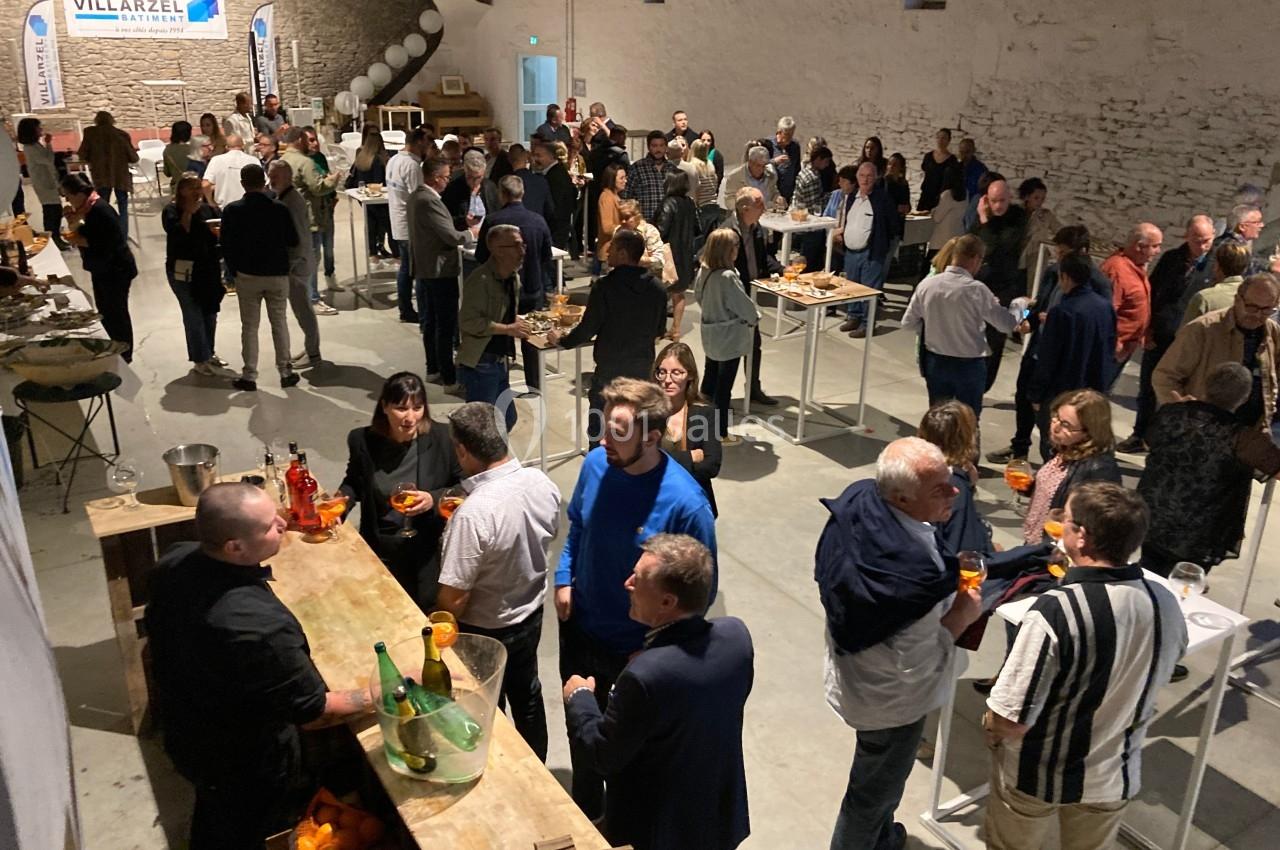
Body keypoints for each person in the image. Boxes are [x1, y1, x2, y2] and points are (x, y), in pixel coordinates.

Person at [146, 483, 374, 850]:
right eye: (270, 526)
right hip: (244, 761)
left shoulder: (176, 559)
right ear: (234, 547)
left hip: (188, 729)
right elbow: (313, 711)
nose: (283, 525)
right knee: (253, 830)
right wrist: (396, 687)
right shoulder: (256, 625)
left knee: (214, 817)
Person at [983, 482, 1186, 850]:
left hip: (1039, 775)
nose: (1059, 525)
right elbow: (1169, 661)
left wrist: (991, 730)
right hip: (1113, 776)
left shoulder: (1055, 610)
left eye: (1067, 519)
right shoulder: (1164, 602)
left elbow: (1010, 718)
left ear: (1081, 536)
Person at [555, 377, 718, 820]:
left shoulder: (687, 504)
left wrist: (654, 652)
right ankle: (586, 814)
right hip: (582, 629)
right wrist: (563, 577)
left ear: (651, 436)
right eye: (605, 428)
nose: (604, 440)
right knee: (581, 727)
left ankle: (621, 824)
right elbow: (578, 527)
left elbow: (700, 596)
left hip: (636, 652)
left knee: (629, 753)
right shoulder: (594, 466)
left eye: (619, 432)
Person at [816, 437, 982, 850]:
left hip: (859, 679)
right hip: (892, 703)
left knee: (877, 777)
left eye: (950, 479)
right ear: (902, 497)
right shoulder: (912, 577)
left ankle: (881, 836)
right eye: (939, 488)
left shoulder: (860, 501)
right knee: (871, 792)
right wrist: (961, 614)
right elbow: (917, 660)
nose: (955, 491)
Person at [563, 533, 751, 850]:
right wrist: (659, 653)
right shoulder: (737, 637)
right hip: (716, 816)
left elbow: (604, 755)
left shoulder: (643, 677)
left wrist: (579, 697)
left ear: (667, 602)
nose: (627, 583)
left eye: (638, 579)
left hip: (658, 832)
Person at [436, 402, 561, 760]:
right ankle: (537, 769)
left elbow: (453, 600)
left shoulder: (474, 514)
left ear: (462, 450)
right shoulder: (541, 482)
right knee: (529, 696)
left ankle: (503, 768)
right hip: (531, 616)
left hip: (485, 631)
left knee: (485, 705)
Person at [1139, 362, 1280, 580]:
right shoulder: (1243, 438)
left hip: (1153, 520)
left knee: (1146, 578)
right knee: (1182, 590)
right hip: (1199, 538)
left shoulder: (1170, 414)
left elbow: (1150, 442)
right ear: (1244, 397)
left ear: (1206, 386)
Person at [338, 372, 462, 607]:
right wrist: (340, 504)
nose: (410, 417)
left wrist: (433, 498)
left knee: (426, 610)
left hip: (428, 548)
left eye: (417, 408)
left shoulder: (443, 437)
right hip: (383, 545)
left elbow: (464, 485)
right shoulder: (362, 440)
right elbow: (354, 481)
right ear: (384, 406)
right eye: (401, 408)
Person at [550, 228, 667, 439]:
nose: (607, 252)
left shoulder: (604, 287)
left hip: (610, 371)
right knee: (635, 428)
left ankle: (599, 468)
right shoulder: (658, 289)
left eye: (611, 247)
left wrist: (561, 341)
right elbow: (659, 330)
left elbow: (587, 328)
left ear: (623, 254)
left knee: (600, 429)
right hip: (642, 369)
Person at [1118, 215, 1217, 453]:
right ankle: (1141, 434)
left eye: (1207, 240)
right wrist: (1148, 329)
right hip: (1162, 333)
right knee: (1149, 387)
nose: (1202, 246)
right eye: (1197, 240)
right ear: (1187, 237)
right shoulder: (1172, 259)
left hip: (1190, 339)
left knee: (1181, 392)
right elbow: (1153, 294)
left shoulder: (1215, 264)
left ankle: (1170, 439)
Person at [901, 234, 1021, 416]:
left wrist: (934, 327)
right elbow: (1007, 324)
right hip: (969, 366)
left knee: (938, 419)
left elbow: (908, 323)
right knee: (968, 423)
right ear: (976, 258)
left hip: (936, 361)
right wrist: (1022, 307)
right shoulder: (977, 290)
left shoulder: (927, 285)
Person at [1154, 273, 1280, 431]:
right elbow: (1165, 376)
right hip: (1202, 431)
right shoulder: (1203, 329)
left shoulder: (1273, 333)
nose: (1257, 315)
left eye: (1266, 310)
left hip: (1250, 433)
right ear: (1237, 299)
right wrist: (1181, 408)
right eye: (1252, 307)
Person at [220, 163, 299, 391]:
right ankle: (285, 371)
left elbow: (226, 246)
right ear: (263, 180)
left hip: (247, 275)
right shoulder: (279, 208)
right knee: (279, 323)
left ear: (243, 183)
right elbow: (293, 240)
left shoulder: (232, 211)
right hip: (276, 274)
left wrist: (232, 272)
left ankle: (250, 375)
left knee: (250, 327)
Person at [1013, 389, 1122, 547]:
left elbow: (1098, 524)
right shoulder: (1065, 449)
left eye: (1066, 425)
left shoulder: (1100, 469)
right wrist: (1028, 486)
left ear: (1089, 432)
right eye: (1056, 417)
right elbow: (1054, 491)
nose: (1055, 427)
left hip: (1058, 551)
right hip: (1036, 543)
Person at [475, 175, 554, 392]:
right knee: (531, 338)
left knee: (500, 336)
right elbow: (547, 256)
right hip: (531, 288)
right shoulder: (538, 220)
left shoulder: (493, 221)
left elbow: (481, 256)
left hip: (501, 289)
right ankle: (535, 385)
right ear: (523, 193)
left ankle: (500, 385)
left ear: (502, 194)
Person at [59, 173, 138, 361]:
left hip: (115, 269)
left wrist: (79, 240)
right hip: (103, 268)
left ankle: (123, 353)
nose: (66, 200)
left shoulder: (99, 210)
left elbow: (107, 242)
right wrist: (74, 222)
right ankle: (113, 346)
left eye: (67, 195)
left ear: (78, 193)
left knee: (116, 312)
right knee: (106, 310)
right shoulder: (87, 208)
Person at [457, 224, 528, 431]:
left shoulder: (512, 277)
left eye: (523, 245)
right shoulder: (481, 280)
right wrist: (508, 329)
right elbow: (468, 321)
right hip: (481, 363)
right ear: (497, 250)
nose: (522, 251)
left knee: (507, 419)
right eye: (516, 245)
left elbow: (504, 312)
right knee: (480, 428)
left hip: (499, 361)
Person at [694, 228, 759, 444]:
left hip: (710, 333)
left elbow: (698, 297)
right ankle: (720, 433)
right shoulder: (728, 276)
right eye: (736, 246)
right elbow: (745, 308)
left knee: (709, 381)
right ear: (727, 250)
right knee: (724, 387)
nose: (738, 250)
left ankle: (700, 425)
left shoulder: (703, 271)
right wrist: (754, 318)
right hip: (729, 337)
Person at [408, 157, 469, 388]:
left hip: (426, 268)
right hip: (439, 270)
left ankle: (432, 368)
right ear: (435, 178)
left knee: (431, 323)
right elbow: (451, 236)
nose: (447, 181)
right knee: (444, 325)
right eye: (445, 177)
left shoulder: (417, 196)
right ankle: (449, 376)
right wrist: (471, 233)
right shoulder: (429, 201)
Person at [968, 174, 1030, 388]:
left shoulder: (1017, 217)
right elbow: (970, 244)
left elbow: (996, 248)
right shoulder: (982, 216)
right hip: (979, 285)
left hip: (1003, 287)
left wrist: (985, 222)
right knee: (972, 334)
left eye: (1002, 200)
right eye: (993, 201)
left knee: (995, 338)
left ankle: (984, 385)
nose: (998, 205)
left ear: (1009, 198)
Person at [162, 175, 225, 376]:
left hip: (207, 269)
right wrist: (188, 213)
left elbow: (218, 225)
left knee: (210, 312)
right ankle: (199, 358)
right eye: (192, 188)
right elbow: (179, 234)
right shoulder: (171, 211)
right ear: (181, 190)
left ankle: (209, 352)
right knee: (193, 315)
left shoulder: (206, 209)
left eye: (198, 187)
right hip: (183, 270)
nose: (197, 192)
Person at [653, 342, 722, 515]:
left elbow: (712, 466)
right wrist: (690, 456)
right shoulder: (647, 412)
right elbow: (640, 461)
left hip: (693, 504)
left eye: (676, 372)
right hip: (655, 504)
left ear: (689, 375)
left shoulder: (706, 412)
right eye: (662, 372)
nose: (667, 380)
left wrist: (660, 462)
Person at [726, 187, 781, 404]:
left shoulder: (756, 229)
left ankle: (753, 389)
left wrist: (785, 270)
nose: (764, 209)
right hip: (733, 298)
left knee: (753, 344)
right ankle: (720, 396)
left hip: (751, 295)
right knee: (729, 348)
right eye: (759, 205)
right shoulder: (728, 232)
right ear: (745, 208)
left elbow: (763, 258)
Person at [267, 160, 323, 371]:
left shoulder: (292, 201)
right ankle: (311, 348)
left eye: (276, 176)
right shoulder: (285, 197)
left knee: (303, 310)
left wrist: (291, 264)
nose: (272, 179)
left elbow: (299, 237)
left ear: (288, 177)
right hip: (297, 263)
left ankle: (314, 352)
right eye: (270, 175)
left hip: (297, 265)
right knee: (301, 309)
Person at [279, 128, 339, 315]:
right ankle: (312, 298)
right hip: (309, 217)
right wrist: (333, 180)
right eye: (307, 140)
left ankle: (300, 295)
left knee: (297, 259)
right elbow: (318, 187)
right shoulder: (305, 162)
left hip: (289, 216)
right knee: (311, 260)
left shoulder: (281, 161)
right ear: (299, 140)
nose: (310, 144)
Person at [836, 162, 897, 338]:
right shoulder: (852, 196)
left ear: (876, 177)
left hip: (871, 252)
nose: (865, 179)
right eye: (862, 176)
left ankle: (867, 324)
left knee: (868, 290)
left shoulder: (882, 198)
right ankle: (853, 316)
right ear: (857, 177)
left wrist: (882, 244)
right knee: (852, 287)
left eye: (869, 176)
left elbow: (893, 224)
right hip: (851, 252)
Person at [1102, 222, 1163, 387]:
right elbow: (1107, 312)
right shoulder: (1117, 270)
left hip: (1126, 346)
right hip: (1111, 350)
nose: (1158, 251)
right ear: (1139, 247)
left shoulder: (1136, 267)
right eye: (1155, 246)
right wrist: (1115, 343)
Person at [388, 127, 433, 325]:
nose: (429, 146)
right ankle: (416, 311)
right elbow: (419, 198)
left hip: (399, 222)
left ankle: (405, 307)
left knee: (406, 268)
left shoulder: (394, 160)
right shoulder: (412, 166)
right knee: (415, 270)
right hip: (410, 225)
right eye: (427, 141)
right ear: (419, 143)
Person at [76, 110, 137, 237]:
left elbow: (82, 154)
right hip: (120, 176)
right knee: (123, 207)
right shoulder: (121, 134)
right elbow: (134, 157)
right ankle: (123, 235)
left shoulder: (90, 133)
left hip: (101, 175)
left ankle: (107, 234)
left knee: (102, 207)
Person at [346, 124, 395, 267]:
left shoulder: (361, 158)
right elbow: (379, 182)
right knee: (389, 227)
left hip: (365, 199)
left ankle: (373, 254)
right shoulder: (378, 161)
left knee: (371, 226)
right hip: (379, 200)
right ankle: (397, 255)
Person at [658, 171, 699, 339]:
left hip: (667, 256)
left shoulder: (668, 203)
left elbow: (661, 230)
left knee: (660, 295)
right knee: (679, 294)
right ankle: (676, 329)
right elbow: (698, 229)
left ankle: (658, 331)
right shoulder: (690, 203)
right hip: (686, 255)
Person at [15, 117, 68, 250]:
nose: (41, 130)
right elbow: (48, 159)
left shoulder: (35, 145)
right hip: (43, 183)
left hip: (49, 181)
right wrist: (49, 143)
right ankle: (52, 239)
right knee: (51, 211)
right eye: (38, 128)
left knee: (55, 210)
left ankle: (56, 237)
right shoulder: (29, 148)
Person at [1183, 241, 1252, 323]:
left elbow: (1185, 333)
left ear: (1217, 266)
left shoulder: (1205, 298)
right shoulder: (1254, 299)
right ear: (1245, 268)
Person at [1016, 177, 1063, 290]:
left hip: (1036, 257)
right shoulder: (1016, 213)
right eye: (1036, 198)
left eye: (1042, 199)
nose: (1040, 202)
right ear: (1027, 196)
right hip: (1016, 255)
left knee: (1032, 289)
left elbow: (1060, 231)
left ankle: (1028, 308)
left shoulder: (1046, 216)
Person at [624, 130, 679, 223]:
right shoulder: (637, 168)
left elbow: (678, 196)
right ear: (649, 147)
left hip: (669, 222)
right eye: (654, 146)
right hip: (644, 222)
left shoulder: (672, 168)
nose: (658, 149)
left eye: (661, 145)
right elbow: (626, 196)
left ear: (666, 147)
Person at [442, 149, 500, 233]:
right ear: (464, 171)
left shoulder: (490, 187)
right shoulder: (453, 188)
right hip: (463, 237)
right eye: (470, 177)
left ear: (484, 173)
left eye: (478, 177)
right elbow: (444, 219)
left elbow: (497, 213)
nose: (474, 182)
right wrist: (464, 222)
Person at [718, 143, 780, 215]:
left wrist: (778, 198)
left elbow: (774, 193)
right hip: (745, 219)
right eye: (758, 165)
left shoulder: (770, 176)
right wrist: (748, 208)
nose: (761, 169)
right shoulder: (735, 177)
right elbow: (729, 201)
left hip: (768, 217)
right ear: (750, 162)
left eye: (764, 166)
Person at [535, 141, 576, 250]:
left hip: (555, 228)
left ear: (551, 156)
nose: (536, 159)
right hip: (558, 226)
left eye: (539, 156)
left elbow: (554, 205)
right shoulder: (556, 172)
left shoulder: (555, 176)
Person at [201, 134, 260, 210]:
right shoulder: (253, 160)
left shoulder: (216, 160)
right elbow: (263, 184)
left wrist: (210, 202)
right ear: (243, 146)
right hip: (250, 207)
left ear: (226, 147)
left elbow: (205, 185)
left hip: (224, 208)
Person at [617, 199, 665, 279]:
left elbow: (659, 260)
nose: (623, 221)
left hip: (646, 279)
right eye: (620, 217)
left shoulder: (649, 231)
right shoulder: (618, 231)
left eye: (627, 217)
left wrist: (639, 260)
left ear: (637, 216)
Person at [509, 146, 554, 224]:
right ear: (526, 158)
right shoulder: (540, 181)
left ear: (509, 159)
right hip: (537, 225)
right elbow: (550, 210)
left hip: (514, 227)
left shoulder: (507, 182)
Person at [916, 128, 957, 214]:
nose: (941, 140)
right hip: (927, 194)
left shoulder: (952, 160)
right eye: (939, 137)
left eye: (944, 138)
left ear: (949, 140)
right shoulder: (928, 156)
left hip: (941, 197)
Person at [928, 165, 967, 251]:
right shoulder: (965, 194)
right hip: (957, 235)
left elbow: (937, 218)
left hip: (942, 239)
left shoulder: (947, 195)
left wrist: (933, 211)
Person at [765, 116, 801, 204]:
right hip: (772, 193)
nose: (789, 138)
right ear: (779, 132)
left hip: (788, 193)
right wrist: (774, 161)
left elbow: (797, 168)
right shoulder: (768, 144)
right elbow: (760, 165)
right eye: (787, 134)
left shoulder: (795, 146)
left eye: (791, 134)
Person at [689, 139, 721, 238]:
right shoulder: (710, 164)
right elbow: (715, 184)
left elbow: (697, 188)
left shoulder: (693, 165)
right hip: (714, 205)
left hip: (702, 206)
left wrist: (695, 205)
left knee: (698, 238)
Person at [596, 163, 627, 264]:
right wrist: (627, 227)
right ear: (612, 179)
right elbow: (607, 227)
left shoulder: (615, 195)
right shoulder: (607, 197)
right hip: (609, 253)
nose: (625, 181)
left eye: (625, 178)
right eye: (621, 178)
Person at [163, 121, 199, 192]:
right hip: (194, 188)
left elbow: (167, 173)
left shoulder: (167, 150)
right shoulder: (195, 149)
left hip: (177, 189)